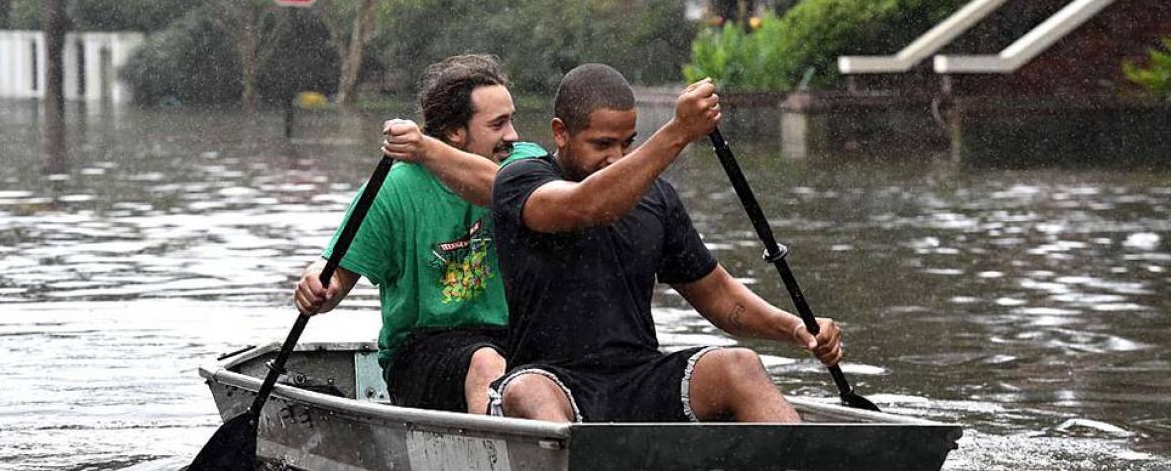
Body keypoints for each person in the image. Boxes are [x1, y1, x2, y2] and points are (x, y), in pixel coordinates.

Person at [488, 64, 844, 423]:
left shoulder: (657, 199)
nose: (617, 157)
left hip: (638, 378)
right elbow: (588, 205)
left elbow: (719, 295)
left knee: (739, 365)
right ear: (560, 133)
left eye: (627, 142)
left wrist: (798, 328)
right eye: (602, 144)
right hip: (550, 378)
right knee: (527, 391)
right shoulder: (519, 181)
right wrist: (679, 131)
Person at [294, 54, 544, 414]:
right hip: (423, 351)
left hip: (514, 339)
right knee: (486, 364)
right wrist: (317, 287)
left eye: (512, 120)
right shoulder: (395, 188)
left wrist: (427, 149)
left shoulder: (524, 163)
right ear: (456, 131)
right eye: (499, 124)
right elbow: (335, 274)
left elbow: (505, 190)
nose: (513, 136)